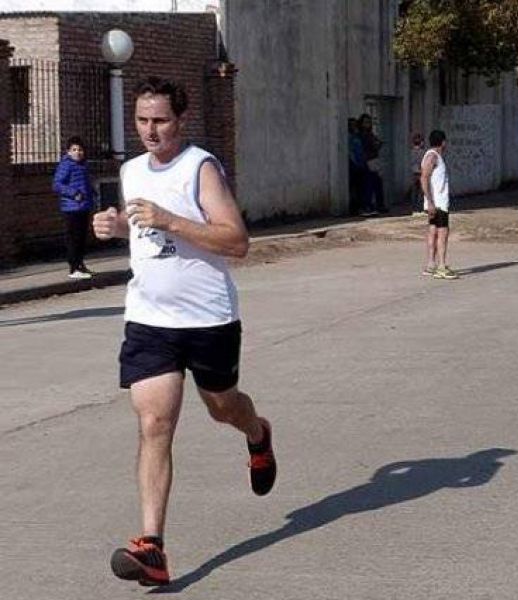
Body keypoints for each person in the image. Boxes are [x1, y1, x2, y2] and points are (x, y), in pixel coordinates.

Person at [92, 76, 277, 587]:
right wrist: (117, 227)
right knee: (155, 424)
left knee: (223, 406)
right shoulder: (131, 171)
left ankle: (258, 434)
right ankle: (152, 548)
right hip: (150, 319)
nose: (150, 131)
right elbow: (143, 228)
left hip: (208, 318)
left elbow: (236, 240)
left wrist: (171, 220)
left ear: (181, 121)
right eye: (142, 121)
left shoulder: (201, 168)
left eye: (160, 121)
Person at [52, 136, 96, 279]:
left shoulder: (83, 165)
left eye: (80, 150)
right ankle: (73, 268)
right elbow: (57, 185)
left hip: (83, 206)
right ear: (68, 152)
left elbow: (86, 184)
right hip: (71, 208)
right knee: (73, 238)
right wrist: (74, 193)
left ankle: (80, 265)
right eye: (74, 150)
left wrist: (92, 194)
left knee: (82, 238)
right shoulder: (66, 165)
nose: (78, 152)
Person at [420, 129, 457, 280]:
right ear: (443, 142)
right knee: (442, 233)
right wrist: (430, 202)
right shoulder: (432, 157)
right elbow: (424, 178)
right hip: (439, 203)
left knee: (433, 231)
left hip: (436, 203)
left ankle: (431, 264)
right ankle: (441, 265)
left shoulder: (433, 156)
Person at [358, 113, 387, 215]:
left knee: (377, 184)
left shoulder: (370, 134)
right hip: (367, 162)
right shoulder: (361, 135)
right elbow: (367, 148)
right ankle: (367, 206)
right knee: (368, 185)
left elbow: (376, 145)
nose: (368, 124)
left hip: (374, 160)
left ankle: (379, 205)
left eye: (369, 122)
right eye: (365, 122)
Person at [408, 132, 426, 214]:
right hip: (420, 173)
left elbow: (412, 162)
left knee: (415, 192)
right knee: (420, 192)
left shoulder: (411, 151)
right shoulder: (422, 152)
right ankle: (419, 208)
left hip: (414, 172)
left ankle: (414, 208)